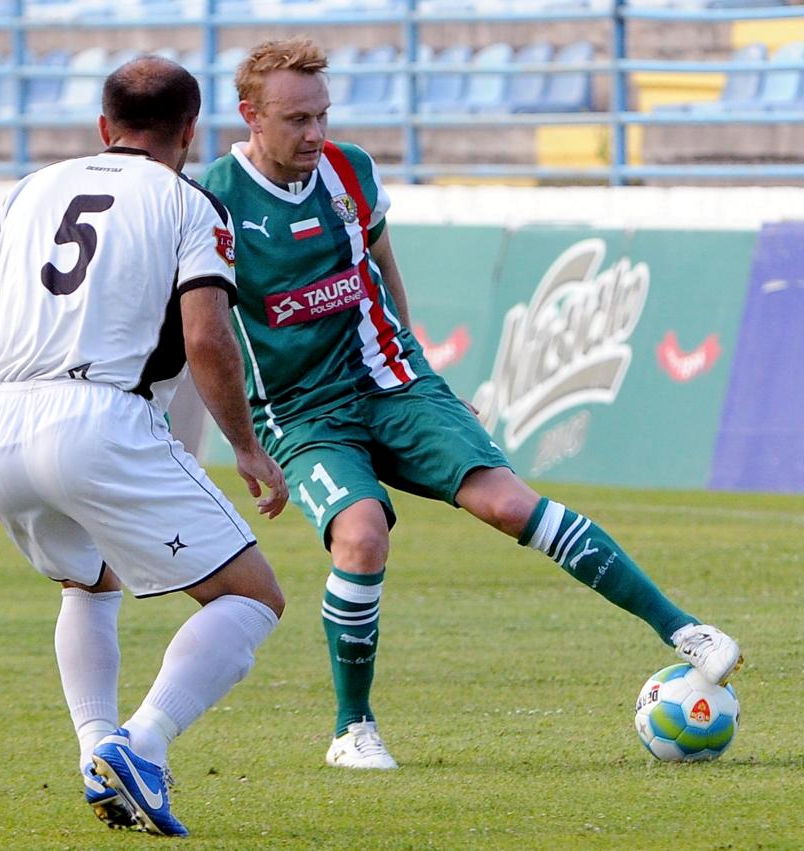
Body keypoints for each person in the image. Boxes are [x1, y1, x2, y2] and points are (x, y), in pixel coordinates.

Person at [200, 37, 743, 771]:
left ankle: (686, 631)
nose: (315, 134)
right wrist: (244, 441)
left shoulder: (349, 173)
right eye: (297, 119)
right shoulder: (214, 200)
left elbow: (382, 264)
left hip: (392, 381)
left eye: (323, 115)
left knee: (511, 504)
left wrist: (422, 374)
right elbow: (201, 329)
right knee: (360, 537)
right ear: (250, 116)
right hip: (300, 412)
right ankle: (352, 727)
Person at [0, 56, 288, 836]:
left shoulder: (33, 188)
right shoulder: (190, 203)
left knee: (90, 581)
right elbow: (208, 337)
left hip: (2, 421)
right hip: (101, 417)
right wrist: (246, 447)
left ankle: (95, 753)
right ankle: (140, 746)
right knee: (252, 596)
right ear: (190, 131)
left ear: (103, 129)